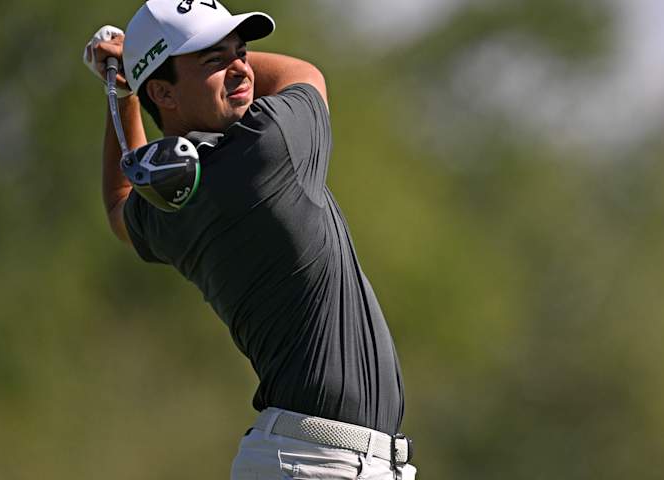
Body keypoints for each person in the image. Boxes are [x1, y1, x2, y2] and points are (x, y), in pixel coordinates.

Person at [82, 1, 416, 479]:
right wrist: (133, 76)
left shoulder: (175, 203)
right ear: (165, 92)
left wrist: (129, 90)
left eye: (241, 52)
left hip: (317, 460)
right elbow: (302, 74)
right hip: (315, 463)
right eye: (214, 60)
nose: (241, 68)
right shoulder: (268, 148)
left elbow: (120, 207)